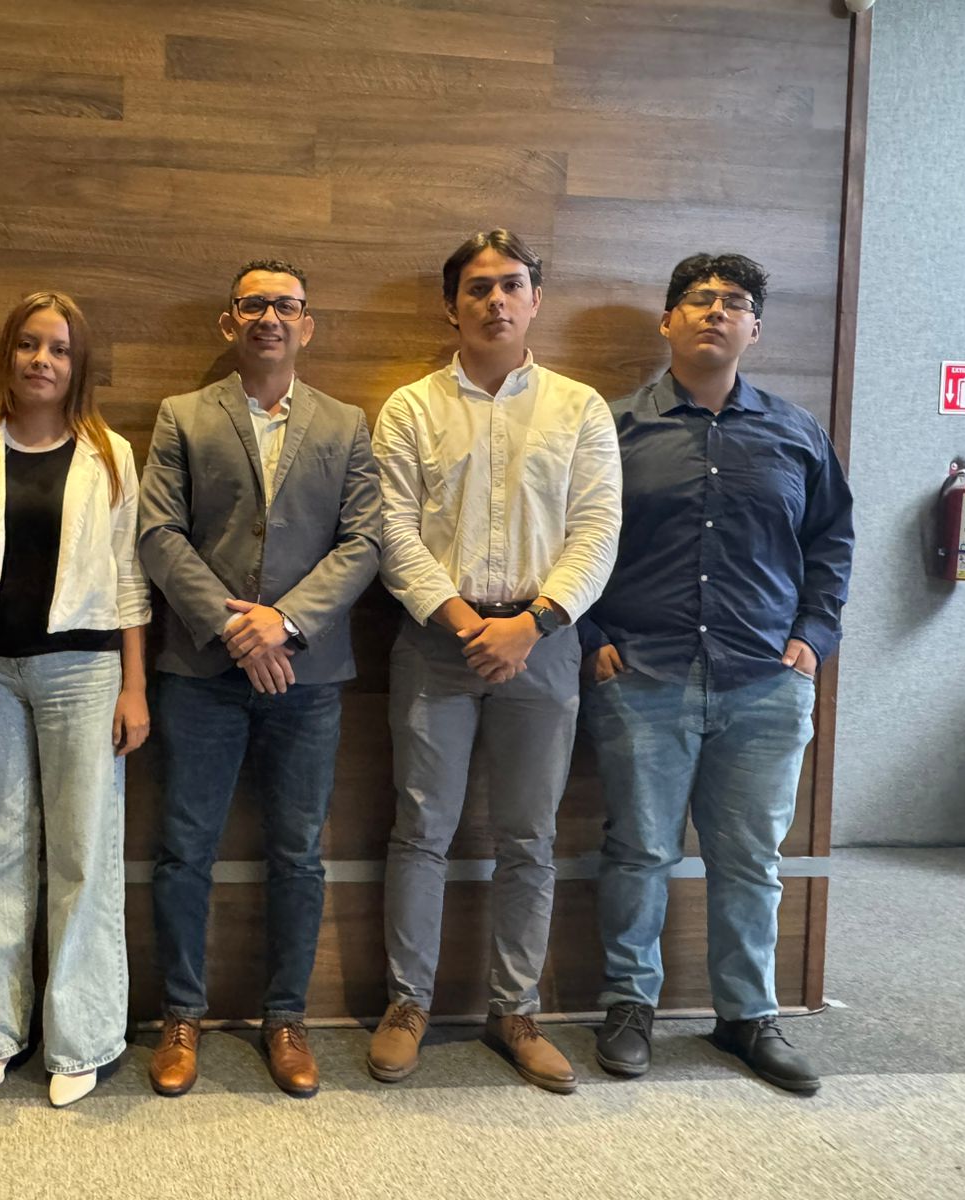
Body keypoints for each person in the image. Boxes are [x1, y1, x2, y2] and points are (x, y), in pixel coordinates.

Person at [581, 254, 853, 1095]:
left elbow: (832, 543)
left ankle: (747, 1017)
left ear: (755, 330)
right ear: (668, 322)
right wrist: (590, 632)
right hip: (643, 674)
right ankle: (629, 1006)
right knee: (639, 852)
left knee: (751, 859)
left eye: (734, 304)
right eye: (697, 300)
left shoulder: (797, 433)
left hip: (765, 682)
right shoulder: (614, 430)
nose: (715, 313)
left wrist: (813, 636)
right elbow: (572, 540)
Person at [367, 230, 621, 1093]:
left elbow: (596, 529)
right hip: (437, 642)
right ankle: (409, 1004)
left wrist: (533, 623)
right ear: (452, 306)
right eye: (478, 288)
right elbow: (392, 528)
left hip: (543, 646)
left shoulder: (580, 408)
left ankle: (516, 1010)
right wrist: (462, 616)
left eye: (513, 286)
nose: (496, 302)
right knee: (421, 830)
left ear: (536, 300)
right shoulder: (408, 408)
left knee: (530, 838)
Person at [138, 259, 381, 1098]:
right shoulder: (181, 417)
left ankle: (286, 1017)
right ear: (228, 323)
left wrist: (285, 622)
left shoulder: (348, 425)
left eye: (286, 306)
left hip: (308, 679)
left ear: (307, 324)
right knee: (183, 851)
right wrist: (240, 630)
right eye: (253, 304)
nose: (269, 317)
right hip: (200, 671)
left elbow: (364, 543)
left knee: (298, 855)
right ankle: (181, 1016)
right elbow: (159, 534)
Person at [0, 291, 150, 1108]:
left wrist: (135, 683)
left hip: (83, 672)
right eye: (29, 344)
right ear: (9, 352)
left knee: (83, 856)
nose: (42, 361)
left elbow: (131, 576)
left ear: (79, 364)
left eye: (59, 349)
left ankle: (81, 1039)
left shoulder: (109, 453)